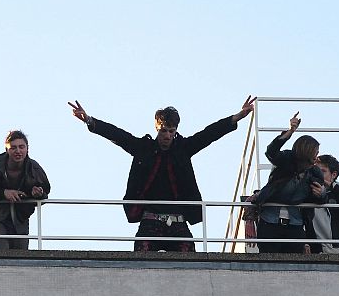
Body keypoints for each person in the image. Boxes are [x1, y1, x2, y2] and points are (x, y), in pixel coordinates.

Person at [68, 97, 256, 252]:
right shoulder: (144, 148)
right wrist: (89, 120)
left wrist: (237, 117)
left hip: (178, 220)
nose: (167, 135)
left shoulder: (183, 148)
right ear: (157, 128)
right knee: (140, 258)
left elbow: (208, 134)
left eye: (172, 131)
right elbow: (118, 136)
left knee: (191, 260)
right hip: (150, 219)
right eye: (164, 131)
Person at [252, 112, 326, 253]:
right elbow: (271, 151)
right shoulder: (286, 159)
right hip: (270, 219)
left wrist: (321, 194)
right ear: (308, 150)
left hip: (295, 222)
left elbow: (319, 198)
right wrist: (290, 131)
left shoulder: (314, 172)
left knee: (294, 264)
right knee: (268, 260)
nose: (317, 156)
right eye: (316, 151)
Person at [0, 130, 50, 250]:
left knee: (21, 255)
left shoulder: (34, 169)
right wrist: (3, 193)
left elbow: (45, 194)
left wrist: (37, 193)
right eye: (13, 147)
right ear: (7, 149)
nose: (18, 151)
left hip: (20, 217)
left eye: (21, 147)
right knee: (0, 252)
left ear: (27, 148)